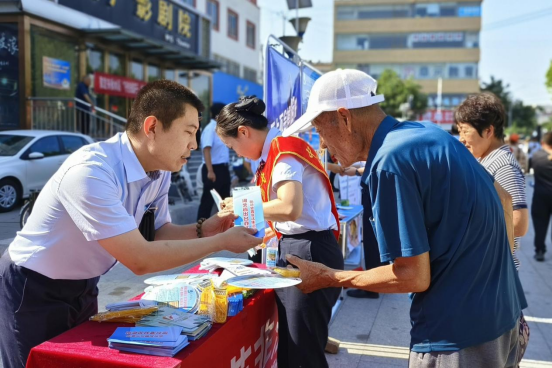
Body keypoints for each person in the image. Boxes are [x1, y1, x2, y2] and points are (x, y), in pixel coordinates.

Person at [0, 80, 260, 368]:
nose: (194, 144)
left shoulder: (159, 171)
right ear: (152, 127)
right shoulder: (91, 172)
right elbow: (140, 259)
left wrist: (203, 230)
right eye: (189, 132)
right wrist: (220, 243)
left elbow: (156, 232)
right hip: (32, 286)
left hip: (84, 285)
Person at [282, 69, 527, 368]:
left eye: (321, 130)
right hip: (504, 315)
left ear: (345, 118)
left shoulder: (389, 161)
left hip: (457, 335)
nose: (321, 144)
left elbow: (413, 275)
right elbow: (503, 198)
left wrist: (330, 277)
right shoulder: (427, 132)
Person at [216, 96, 344, 368]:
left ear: (243, 132)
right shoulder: (272, 153)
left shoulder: (283, 150)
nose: (236, 153)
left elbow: (289, 207)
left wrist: (241, 205)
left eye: (231, 146)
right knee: (289, 345)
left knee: (303, 352)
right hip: (295, 247)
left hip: (309, 250)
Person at [455, 92, 530, 364]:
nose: (461, 138)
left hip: (495, 281)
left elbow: (520, 224)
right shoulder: (484, 160)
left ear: (488, 130)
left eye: (465, 131)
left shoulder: (503, 164)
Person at [341, 163, 387, 299]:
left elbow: (375, 167)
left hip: (374, 195)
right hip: (377, 194)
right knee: (377, 241)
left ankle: (372, 288)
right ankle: (382, 280)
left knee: (371, 241)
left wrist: (355, 171)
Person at [197, 103, 231, 220]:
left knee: (226, 200)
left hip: (223, 169)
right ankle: (200, 230)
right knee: (207, 201)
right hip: (213, 169)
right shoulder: (210, 129)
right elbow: (206, 149)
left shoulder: (219, 129)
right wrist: (210, 171)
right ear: (218, 115)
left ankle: (226, 228)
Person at [531, 132, 552, 262]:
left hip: (540, 196)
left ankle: (539, 250)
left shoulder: (536, 156)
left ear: (543, 142)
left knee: (540, 225)